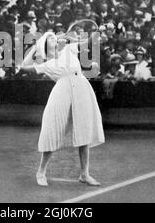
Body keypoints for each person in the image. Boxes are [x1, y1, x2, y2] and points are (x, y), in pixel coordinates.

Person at [18, 32, 105, 187]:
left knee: (84, 131)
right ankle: (41, 172)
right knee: (53, 129)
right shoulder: (45, 64)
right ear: (45, 45)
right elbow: (23, 67)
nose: (55, 38)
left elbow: (88, 43)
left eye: (54, 36)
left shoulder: (68, 49)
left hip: (82, 88)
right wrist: (33, 48)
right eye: (50, 38)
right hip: (62, 92)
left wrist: (98, 32)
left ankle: (84, 174)